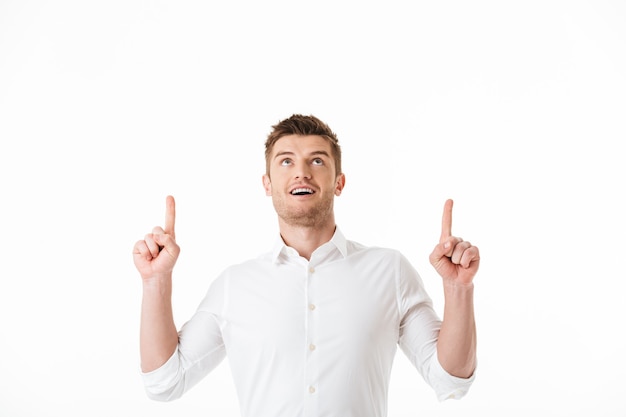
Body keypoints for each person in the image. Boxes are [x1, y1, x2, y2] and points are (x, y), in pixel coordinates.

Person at [133, 114, 479, 417]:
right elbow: (165, 382)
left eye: (317, 161)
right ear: (267, 184)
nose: (301, 172)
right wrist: (156, 281)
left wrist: (458, 288)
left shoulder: (389, 271)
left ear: (339, 182)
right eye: (286, 161)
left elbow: (450, 380)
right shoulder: (234, 285)